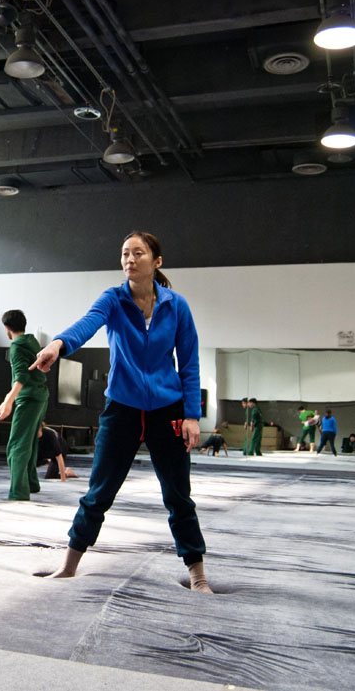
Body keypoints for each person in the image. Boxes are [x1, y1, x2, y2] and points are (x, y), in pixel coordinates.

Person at [31, 232, 211, 593]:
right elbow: (87, 323)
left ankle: (198, 574)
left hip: (167, 409)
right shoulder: (112, 299)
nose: (130, 259)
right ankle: (69, 564)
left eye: (138, 253)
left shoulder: (177, 306)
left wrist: (192, 415)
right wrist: (58, 344)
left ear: (156, 262)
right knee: (99, 492)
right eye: (125, 253)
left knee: (178, 495)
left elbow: (189, 363)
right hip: (122, 409)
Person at [0, 310, 49, 500]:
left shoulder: (17, 346)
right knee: (30, 442)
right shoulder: (32, 341)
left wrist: (8, 401)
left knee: (17, 445)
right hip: (41, 395)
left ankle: (18, 491)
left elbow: (21, 375)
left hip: (28, 399)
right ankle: (32, 483)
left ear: (7, 328)